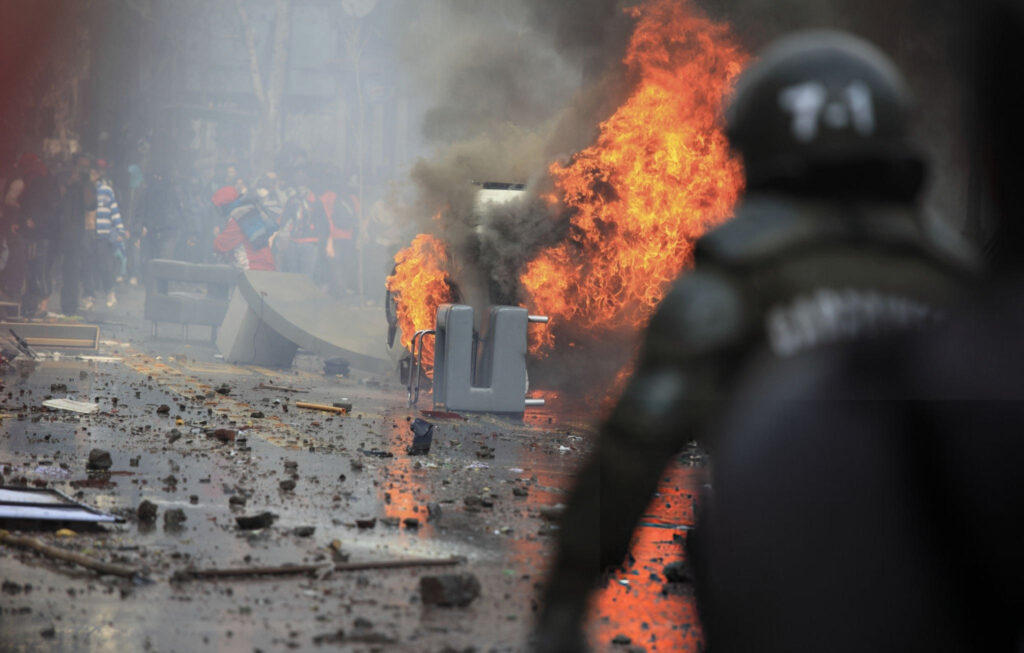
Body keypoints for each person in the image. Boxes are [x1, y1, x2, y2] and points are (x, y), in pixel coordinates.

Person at [534, 31, 981, 651]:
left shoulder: (732, 285)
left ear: (754, 147)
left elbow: (631, 454)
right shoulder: (967, 291)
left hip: (779, 604)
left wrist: (560, 612)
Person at [58, 155, 98, 316]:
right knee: (66, 269)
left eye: (85, 167)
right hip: (60, 230)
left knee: (73, 269)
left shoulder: (86, 185)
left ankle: (70, 306)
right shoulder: (65, 180)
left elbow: (91, 204)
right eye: (81, 167)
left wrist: (87, 186)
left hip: (76, 234)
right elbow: (58, 200)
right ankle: (65, 304)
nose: (82, 171)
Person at [212, 177, 281, 271]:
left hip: (253, 268)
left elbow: (220, 245)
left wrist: (216, 236)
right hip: (266, 266)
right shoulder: (249, 210)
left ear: (224, 206)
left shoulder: (238, 219)